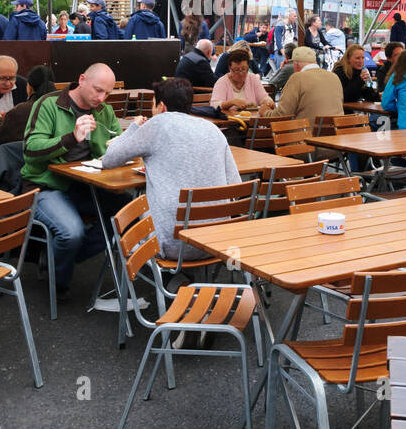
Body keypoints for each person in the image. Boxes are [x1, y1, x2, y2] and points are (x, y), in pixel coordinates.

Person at [102, 77, 242, 260]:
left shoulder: (157, 124)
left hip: (171, 245)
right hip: (217, 242)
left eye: (153, 106)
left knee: (116, 232)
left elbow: (109, 159)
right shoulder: (213, 129)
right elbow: (235, 185)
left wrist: (134, 127)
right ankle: (182, 281)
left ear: (162, 107)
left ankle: (172, 281)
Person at [21, 63, 124, 297]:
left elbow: (116, 145)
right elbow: (30, 150)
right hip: (44, 184)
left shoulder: (104, 111)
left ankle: (61, 255)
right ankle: (57, 283)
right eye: (98, 90)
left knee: (128, 213)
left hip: (84, 184)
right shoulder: (49, 104)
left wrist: (135, 136)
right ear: (81, 79)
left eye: (107, 93)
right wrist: (71, 138)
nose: (102, 98)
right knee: (71, 232)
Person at [272, 46, 344, 124]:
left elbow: (282, 114)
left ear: (295, 65)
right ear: (315, 62)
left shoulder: (297, 78)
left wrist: (265, 112)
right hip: (335, 132)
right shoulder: (334, 77)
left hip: (307, 133)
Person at [211, 47, 274, 113]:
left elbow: (263, 97)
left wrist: (268, 101)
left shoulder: (253, 78)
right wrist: (231, 102)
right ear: (230, 68)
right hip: (230, 120)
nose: (241, 73)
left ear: (248, 67)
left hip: (252, 120)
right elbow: (214, 105)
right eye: (236, 70)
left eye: (244, 69)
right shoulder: (222, 82)